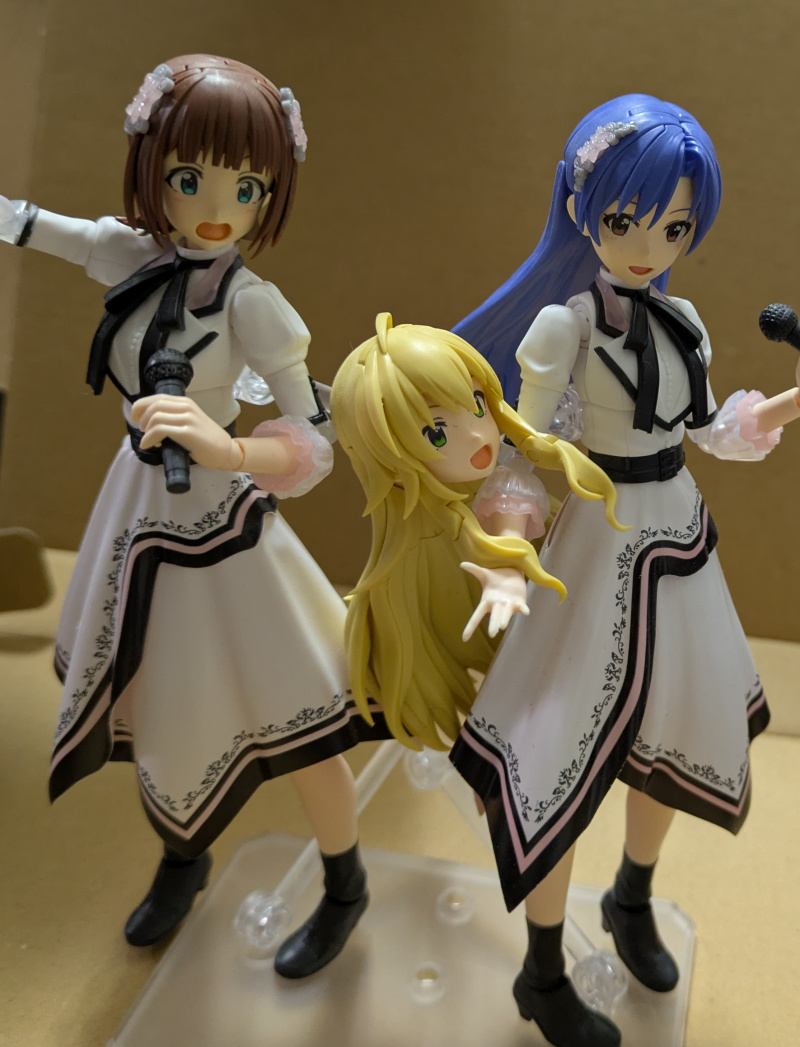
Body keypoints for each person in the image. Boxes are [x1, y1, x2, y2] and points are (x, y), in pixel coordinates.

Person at [0, 54, 383, 978]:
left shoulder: (256, 307)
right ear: (153, 170)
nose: (217, 208)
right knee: (158, 695)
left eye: (245, 188)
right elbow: (31, 225)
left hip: (223, 527)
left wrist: (229, 450)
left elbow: (314, 441)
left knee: (301, 715)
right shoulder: (132, 257)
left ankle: (344, 882)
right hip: (137, 508)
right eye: (190, 179)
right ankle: (184, 853)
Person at [449, 94, 780, 1046]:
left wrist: (775, 410)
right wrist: (507, 554)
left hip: (677, 545)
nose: (648, 246)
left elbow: (708, 427)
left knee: (669, 734)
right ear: (582, 208)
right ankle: (543, 967)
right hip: (594, 545)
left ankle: (632, 897)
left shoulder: (684, 322)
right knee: (558, 763)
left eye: (673, 226)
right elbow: (521, 453)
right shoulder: (563, 329)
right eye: (628, 219)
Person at [331, 313, 623, 1044]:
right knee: (527, 808)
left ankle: (544, 971)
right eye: (437, 431)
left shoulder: (501, 485)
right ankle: (543, 970)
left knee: (544, 814)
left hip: (531, 666)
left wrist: (509, 573)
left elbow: (512, 522)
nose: (476, 434)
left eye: (477, 404)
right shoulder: (410, 533)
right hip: (468, 677)